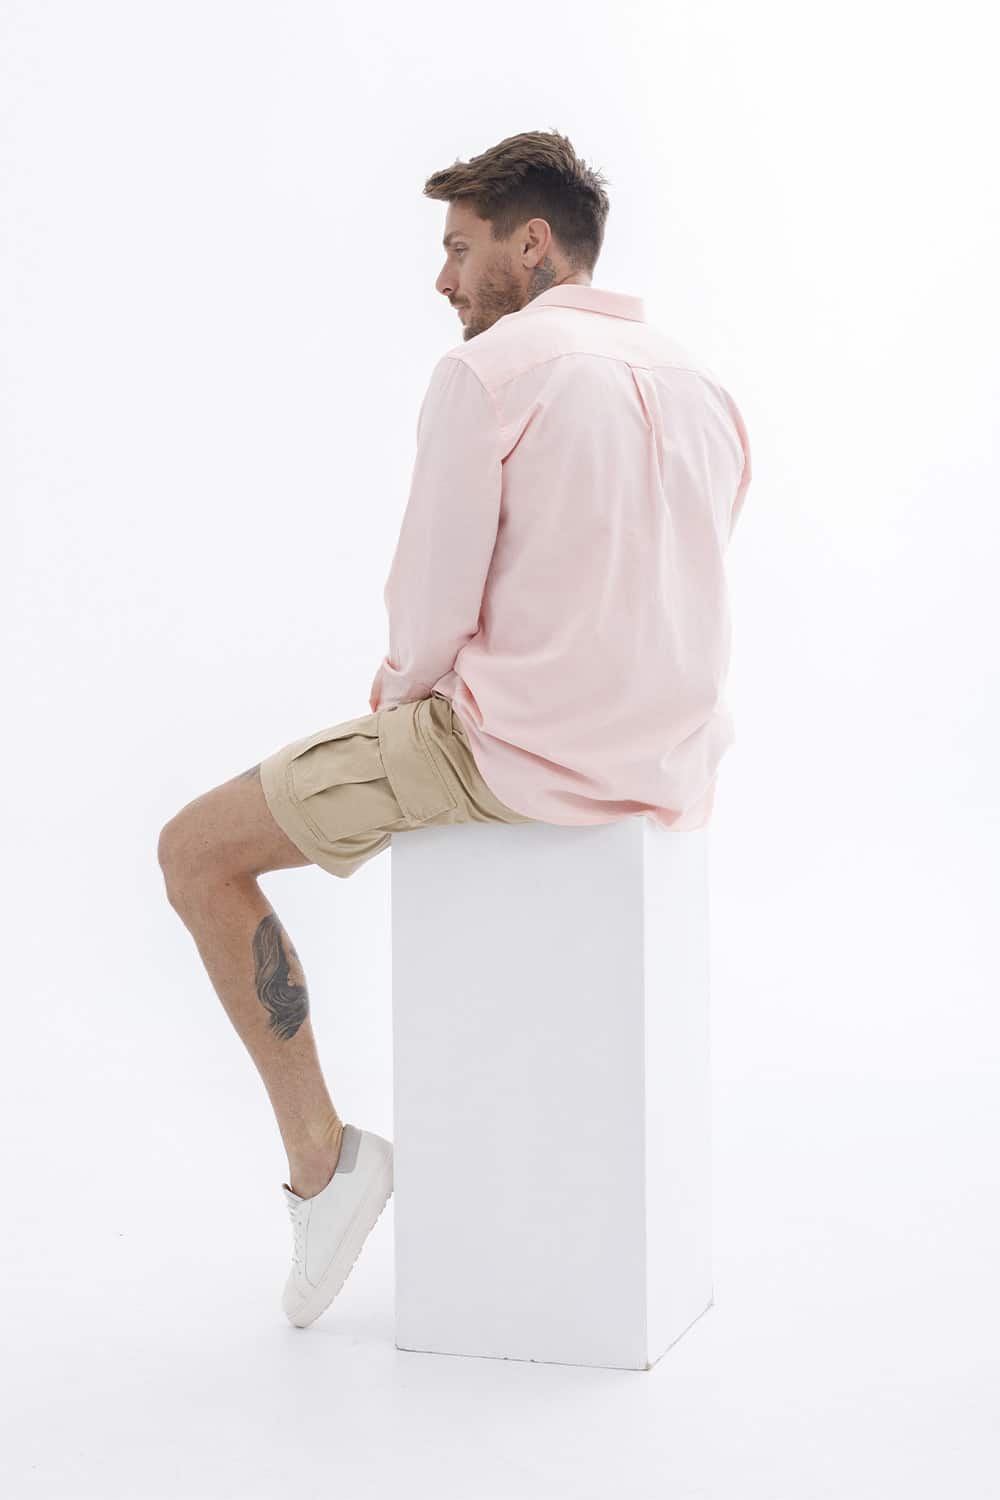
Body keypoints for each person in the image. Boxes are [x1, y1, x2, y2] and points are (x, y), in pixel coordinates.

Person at [156, 128, 752, 1331]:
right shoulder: (703, 387)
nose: (443, 279)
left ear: (532, 246)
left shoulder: (490, 373)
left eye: (460, 248)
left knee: (193, 853)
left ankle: (323, 1165)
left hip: (512, 751)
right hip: (669, 763)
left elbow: (431, 606)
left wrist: (396, 695)